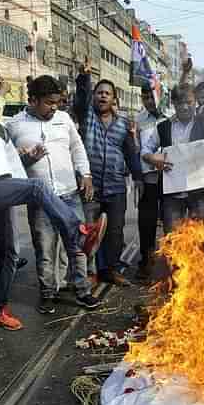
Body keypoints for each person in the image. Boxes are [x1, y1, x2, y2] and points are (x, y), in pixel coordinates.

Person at [0, 78, 107, 329]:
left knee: (11, 254)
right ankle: (78, 231)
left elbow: (13, 166)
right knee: (38, 188)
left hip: (5, 191)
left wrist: (28, 159)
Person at [5, 75, 100, 314]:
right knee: (45, 249)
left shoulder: (64, 119)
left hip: (69, 195)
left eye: (57, 102)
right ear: (33, 100)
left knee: (77, 245)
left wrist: (85, 173)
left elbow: (77, 147)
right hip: (39, 200)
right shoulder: (14, 125)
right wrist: (27, 158)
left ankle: (82, 290)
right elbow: (8, 162)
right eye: (49, 102)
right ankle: (47, 293)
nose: (54, 107)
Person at [75, 59, 138, 286]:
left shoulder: (123, 123)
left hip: (116, 186)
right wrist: (84, 78)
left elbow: (130, 154)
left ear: (114, 99)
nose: (102, 96)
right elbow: (80, 100)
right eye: (99, 92)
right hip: (90, 186)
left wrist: (139, 178)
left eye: (107, 93)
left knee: (115, 232)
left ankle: (109, 270)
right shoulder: (87, 116)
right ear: (94, 96)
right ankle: (89, 272)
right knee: (88, 232)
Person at [141, 83, 204, 233]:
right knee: (173, 240)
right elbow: (145, 150)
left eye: (189, 102)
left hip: (200, 193)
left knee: (202, 237)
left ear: (196, 101)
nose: (185, 107)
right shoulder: (163, 127)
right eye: (180, 103)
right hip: (172, 194)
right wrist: (153, 158)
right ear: (173, 103)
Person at [135, 85, 164, 279]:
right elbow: (137, 149)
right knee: (146, 222)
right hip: (148, 179)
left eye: (152, 97)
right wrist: (138, 177)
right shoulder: (139, 120)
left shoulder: (171, 116)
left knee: (172, 221)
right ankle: (145, 261)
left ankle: (170, 263)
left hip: (171, 179)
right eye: (145, 98)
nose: (149, 101)